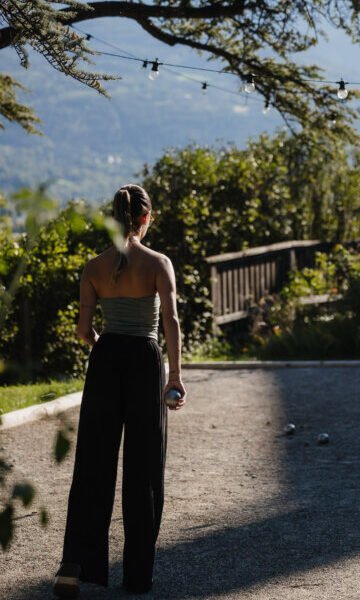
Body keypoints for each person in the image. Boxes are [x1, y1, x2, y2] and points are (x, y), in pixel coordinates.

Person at [53, 184, 186, 598]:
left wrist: (106, 346)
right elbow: (172, 323)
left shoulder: (94, 266)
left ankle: (73, 567)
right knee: (144, 468)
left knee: (93, 462)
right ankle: (136, 577)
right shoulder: (158, 263)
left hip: (106, 357)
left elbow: (83, 332)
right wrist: (175, 376)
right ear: (146, 218)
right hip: (145, 358)